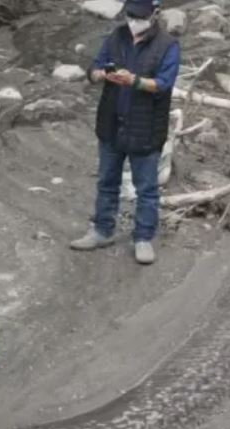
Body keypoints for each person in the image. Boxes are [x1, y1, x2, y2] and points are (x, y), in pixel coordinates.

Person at [70, 0, 180, 265]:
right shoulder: (116, 36)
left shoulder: (167, 46)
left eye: (139, 16)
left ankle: (143, 238)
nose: (133, 20)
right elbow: (94, 68)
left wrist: (136, 81)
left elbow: (164, 84)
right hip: (111, 122)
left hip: (146, 127)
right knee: (107, 181)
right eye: (130, 15)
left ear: (154, 14)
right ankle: (102, 230)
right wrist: (100, 75)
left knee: (147, 189)